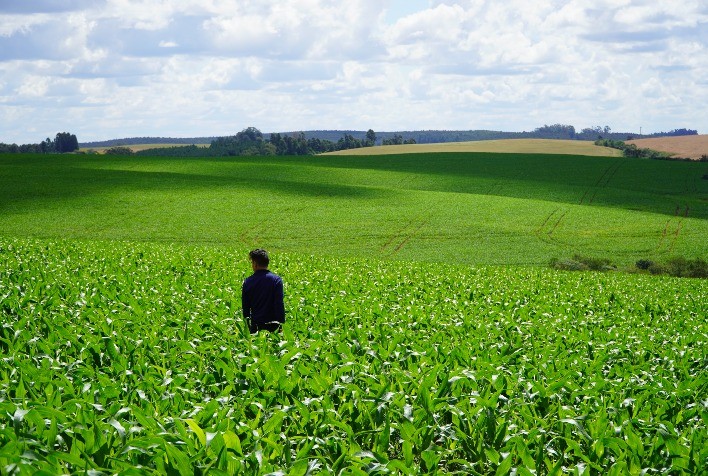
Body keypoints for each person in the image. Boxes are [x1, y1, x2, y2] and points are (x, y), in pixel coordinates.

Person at [241, 249, 285, 334]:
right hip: (274, 326)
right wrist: (281, 325)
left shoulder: (248, 282)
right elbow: (279, 304)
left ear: (255, 264)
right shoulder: (276, 280)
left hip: (256, 326)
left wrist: (248, 326)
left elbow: (245, 307)